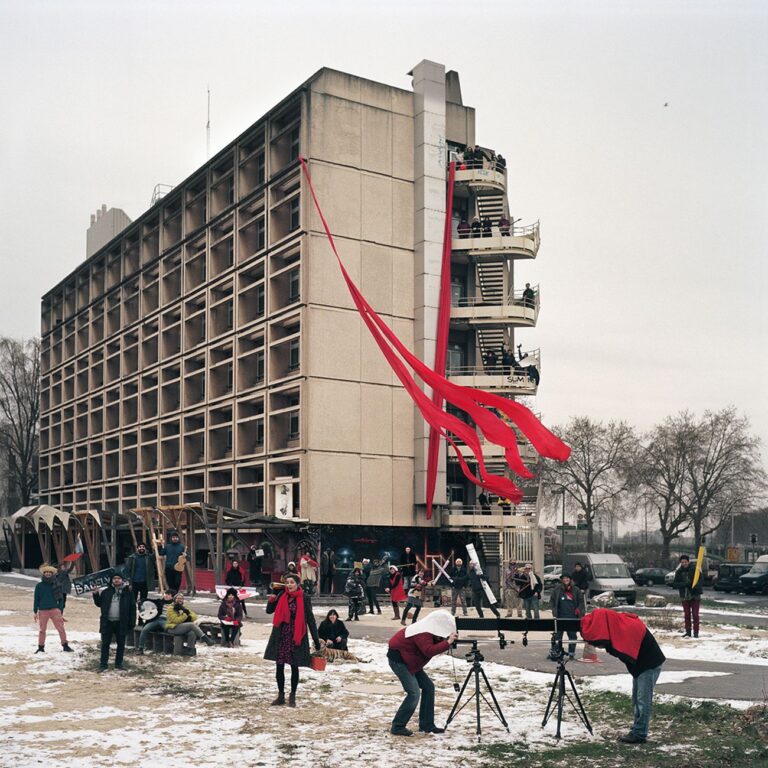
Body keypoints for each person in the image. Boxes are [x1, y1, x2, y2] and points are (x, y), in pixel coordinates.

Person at [581, 608, 666, 744]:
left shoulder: (625, 628)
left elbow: (622, 649)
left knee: (643, 700)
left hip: (649, 664)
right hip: (641, 666)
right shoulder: (619, 625)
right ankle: (638, 730)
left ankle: (639, 734)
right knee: (637, 700)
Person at [387, 609, 458, 736]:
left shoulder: (430, 629)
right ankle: (397, 726)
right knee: (413, 693)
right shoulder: (422, 631)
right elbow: (428, 650)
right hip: (399, 661)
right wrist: (447, 643)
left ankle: (427, 725)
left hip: (411, 661)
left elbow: (432, 645)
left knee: (428, 687)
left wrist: (446, 641)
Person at [264, 573, 320, 707]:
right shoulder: (281, 596)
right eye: (287, 582)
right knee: (279, 666)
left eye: (292, 582)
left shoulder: (304, 598)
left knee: (295, 667)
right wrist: (273, 595)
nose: (289, 585)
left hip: (297, 637)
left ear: (297, 584)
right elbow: (269, 611)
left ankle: (292, 695)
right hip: (281, 635)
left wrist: (316, 640)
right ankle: (281, 695)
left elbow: (310, 620)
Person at [93, 572, 136, 671]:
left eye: (119, 578)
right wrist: (95, 594)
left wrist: (132, 623)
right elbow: (99, 604)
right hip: (107, 622)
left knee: (121, 644)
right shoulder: (106, 592)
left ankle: (119, 664)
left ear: (122, 580)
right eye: (114, 578)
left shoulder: (128, 592)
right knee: (105, 644)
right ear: (111, 580)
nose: (116, 580)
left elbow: (132, 608)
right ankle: (103, 665)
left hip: (122, 622)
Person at [33, 563, 72, 654]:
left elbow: (61, 599)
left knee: (61, 628)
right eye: (46, 572)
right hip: (43, 610)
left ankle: (65, 645)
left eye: (49, 572)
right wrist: (35, 610)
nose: (48, 574)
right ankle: (41, 647)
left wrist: (60, 609)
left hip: (55, 610)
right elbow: (36, 599)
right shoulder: (39, 586)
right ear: (44, 574)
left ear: (52, 574)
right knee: (42, 630)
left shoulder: (57, 585)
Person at [549, 574, 584, 658]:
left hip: (572, 616)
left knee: (572, 636)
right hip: (560, 616)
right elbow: (552, 600)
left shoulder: (576, 590)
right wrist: (554, 610)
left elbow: (581, 601)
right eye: (564, 578)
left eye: (567, 578)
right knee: (558, 636)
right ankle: (557, 651)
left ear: (570, 579)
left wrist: (578, 610)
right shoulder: (557, 589)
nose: (565, 580)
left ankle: (571, 653)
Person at [672, 555, 702, 638]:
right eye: (682, 562)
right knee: (687, 615)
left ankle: (696, 633)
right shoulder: (679, 572)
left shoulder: (695, 570)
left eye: (685, 562)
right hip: (684, 596)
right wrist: (685, 584)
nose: (684, 563)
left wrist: (695, 586)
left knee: (695, 615)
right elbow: (675, 584)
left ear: (688, 562)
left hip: (695, 596)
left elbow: (700, 581)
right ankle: (688, 632)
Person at [136, 589, 174, 654]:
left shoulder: (175, 604)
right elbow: (149, 600)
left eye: (168, 595)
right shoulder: (160, 601)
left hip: (166, 621)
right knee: (145, 629)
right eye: (166, 594)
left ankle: (170, 648)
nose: (166, 596)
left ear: (172, 596)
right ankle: (140, 648)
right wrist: (141, 601)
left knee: (168, 630)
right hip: (156, 619)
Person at [126, 542, 156, 606]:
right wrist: (129, 582)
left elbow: (156, 555)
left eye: (143, 547)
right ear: (137, 548)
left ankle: (142, 610)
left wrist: (157, 547)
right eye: (140, 547)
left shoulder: (149, 557)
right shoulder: (132, 557)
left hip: (144, 581)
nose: (141, 548)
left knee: (144, 599)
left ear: (145, 548)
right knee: (133, 599)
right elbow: (128, 570)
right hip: (134, 581)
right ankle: (133, 611)